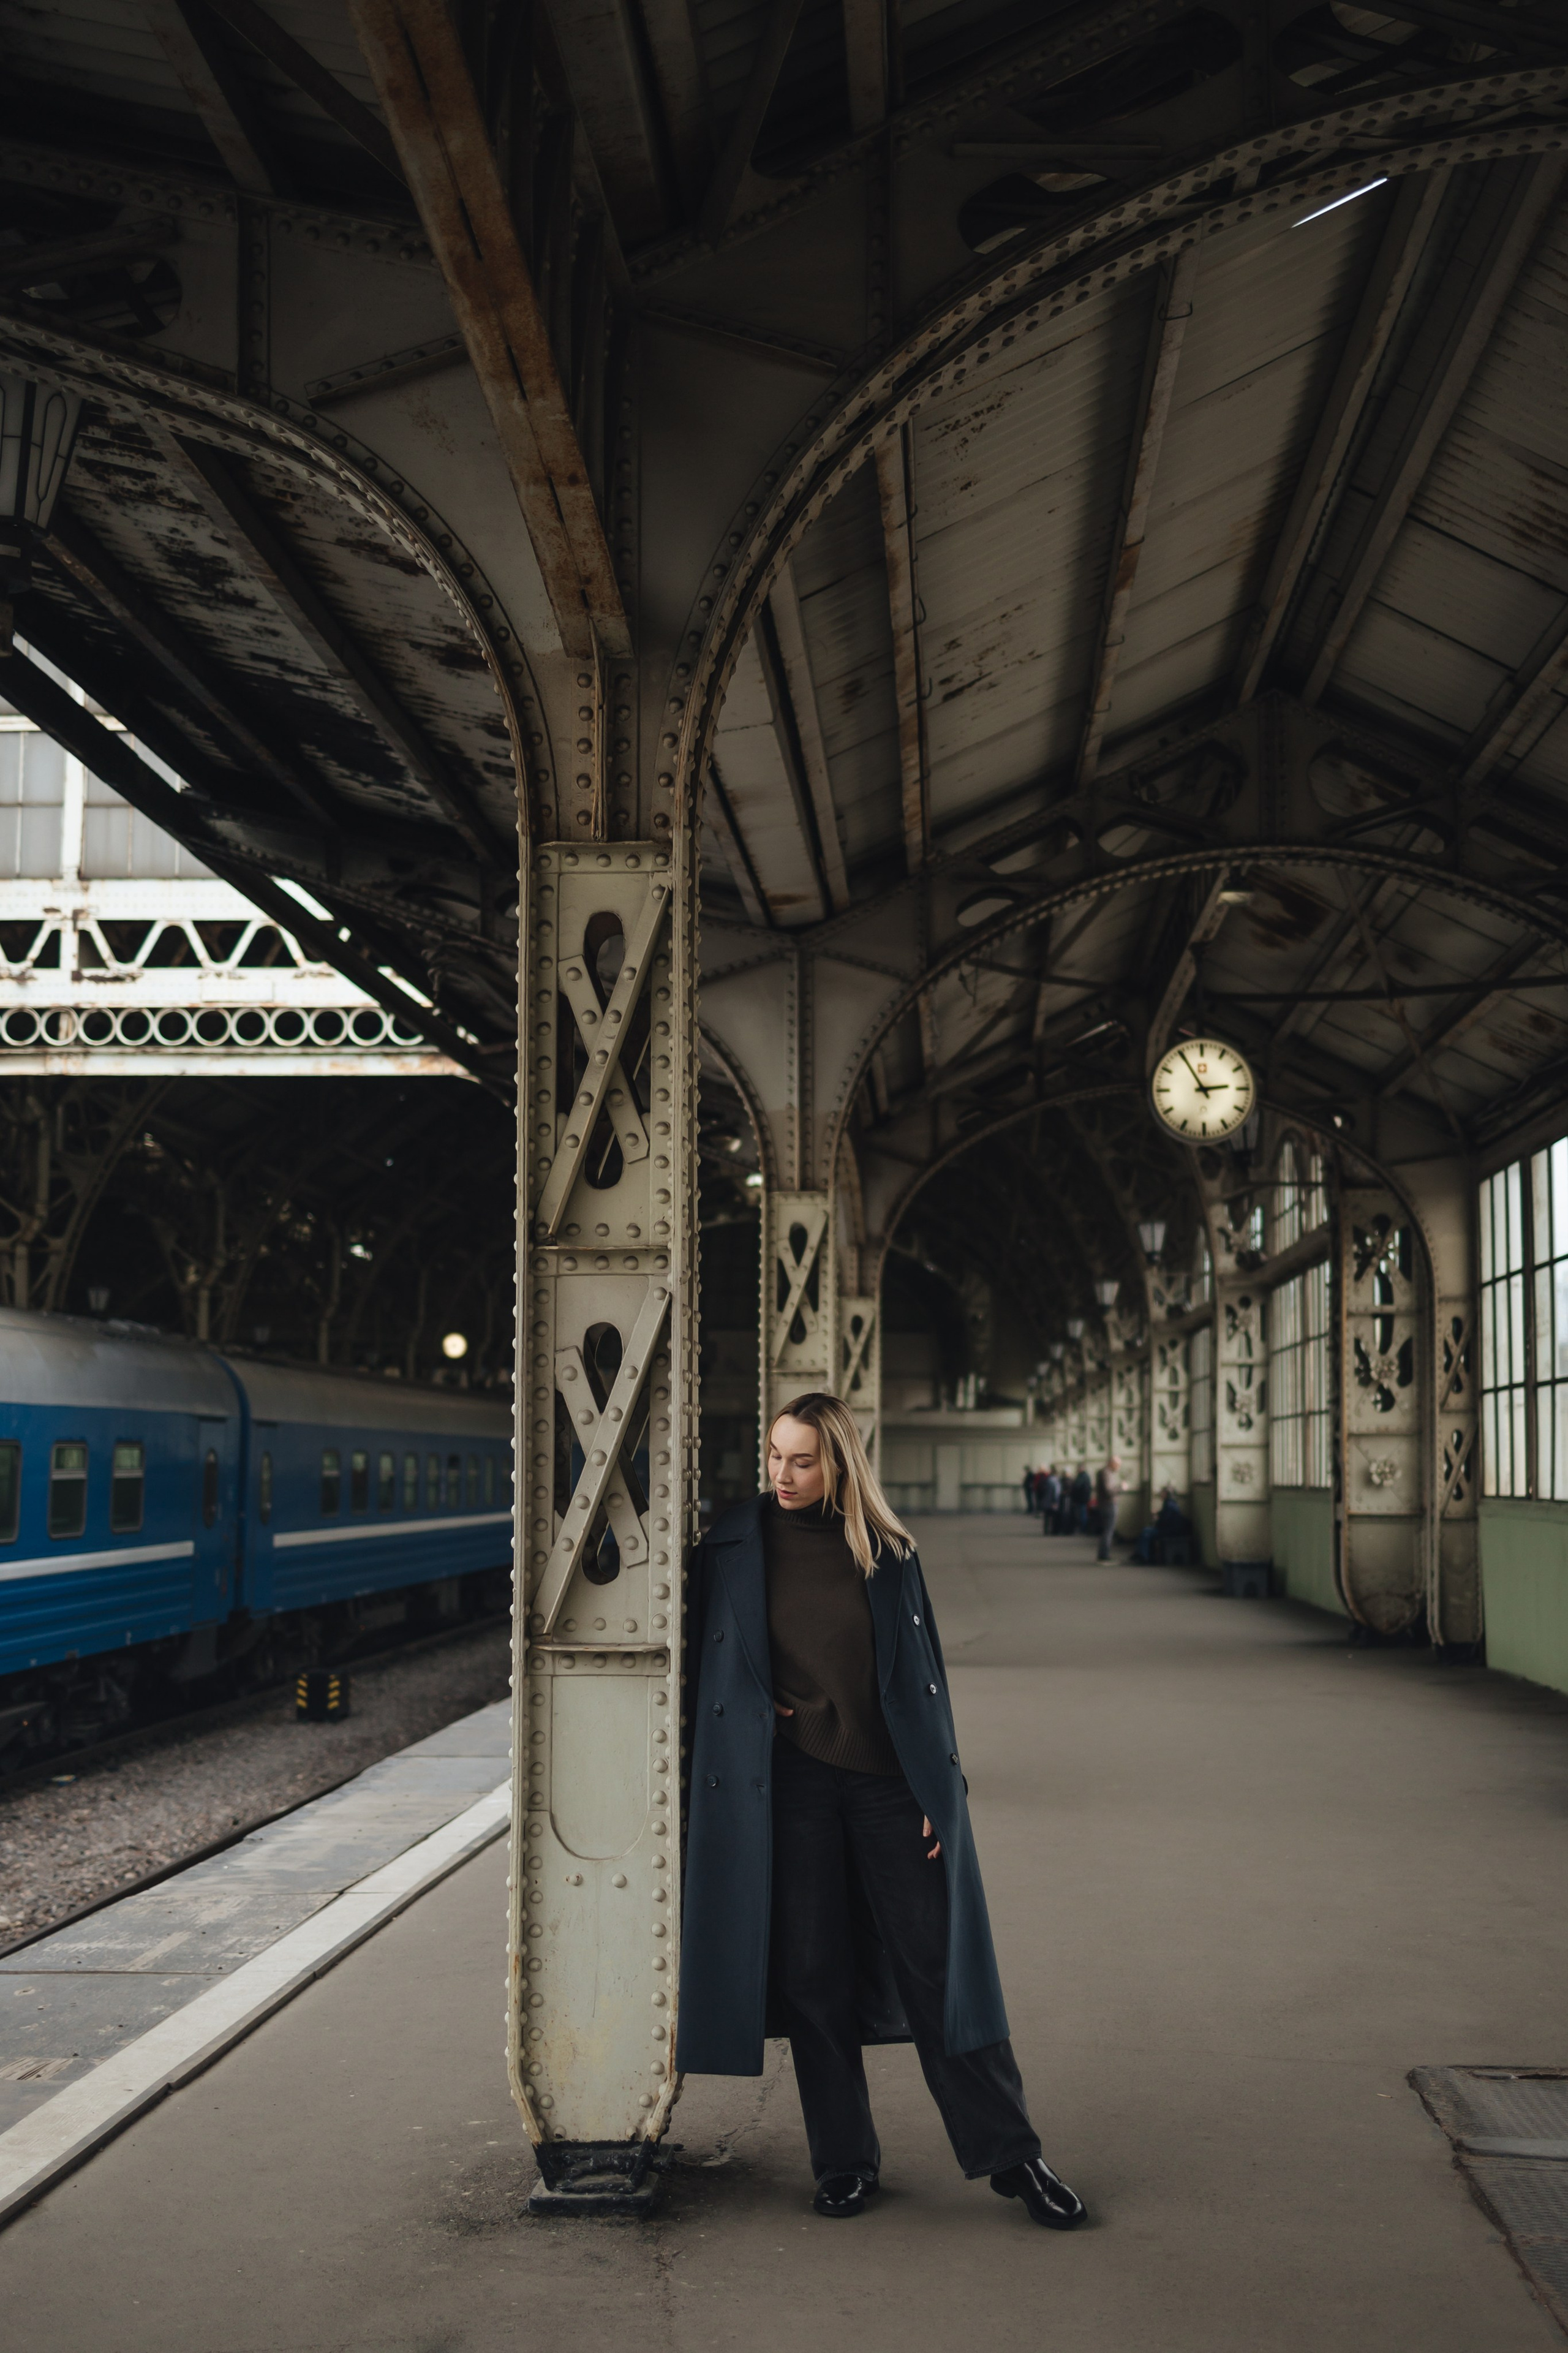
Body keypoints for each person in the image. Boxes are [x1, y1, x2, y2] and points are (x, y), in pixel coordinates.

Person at [677, 1391, 1085, 2230]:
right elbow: (693, 1670)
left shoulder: (888, 1551)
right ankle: (844, 2162)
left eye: (803, 1460)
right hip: (788, 1785)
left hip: (888, 1785)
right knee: (812, 1973)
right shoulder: (730, 1546)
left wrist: (940, 1788)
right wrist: (753, 1709)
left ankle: (1013, 2156)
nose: (783, 1474)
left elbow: (926, 1676)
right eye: (775, 1456)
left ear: (840, 1464)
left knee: (941, 1971)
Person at [1095, 1456, 1122, 1561]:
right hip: (1109, 1505)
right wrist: (1121, 1488)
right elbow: (1109, 1492)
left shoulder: (1103, 1472)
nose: (1118, 1467)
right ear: (1112, 1463)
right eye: (1118, 1465)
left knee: (1106, 1531)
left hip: (1104, 1505)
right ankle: (1104, 1555)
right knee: (1109, 1531)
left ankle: (1103, 1554)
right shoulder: (1107, 1473)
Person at [1039, 1465, 1063, 1533]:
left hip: (1046, 1501)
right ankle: (1053, 1531)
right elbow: (1056, 1493)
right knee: (1054, 1518)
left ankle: (1046, 1530)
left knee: (1046, 1517)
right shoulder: (1056, 1482)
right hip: (1053, 1503)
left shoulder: (1047, 1480)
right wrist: (1055, 1502)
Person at [1071, 1465, 1093, 1533]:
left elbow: (1077, 1486)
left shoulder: (1082, 1477)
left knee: (1082, 1514)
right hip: (1083, 1498)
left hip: (1081, 1499)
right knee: (1082, 1514)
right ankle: (1083, 1528)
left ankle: (1083, 1529)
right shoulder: (1086, 1476)